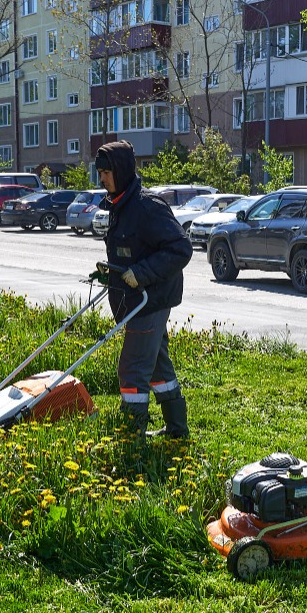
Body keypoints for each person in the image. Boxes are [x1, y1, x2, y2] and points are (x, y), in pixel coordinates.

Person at [94, 140, 193, 438]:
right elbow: (129, 252)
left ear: (121, 170)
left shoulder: (147, 207)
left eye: (106, 172)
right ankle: (176, 429)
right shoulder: (120, 204)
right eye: (99, 173)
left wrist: (142, 273)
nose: (102, 179)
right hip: (134, 299)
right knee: (158, 367)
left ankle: (130, 436)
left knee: (133, 367)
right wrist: (111, 273)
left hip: (151, 300)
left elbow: (181, 248)